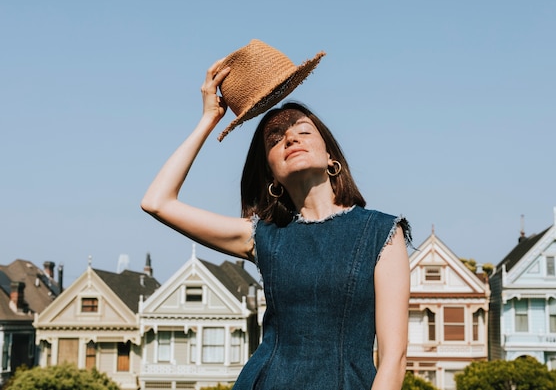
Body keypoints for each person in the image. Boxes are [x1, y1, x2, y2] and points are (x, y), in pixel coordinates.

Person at [141, 57, 411, 390]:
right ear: (270, 173)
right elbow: (157, 202)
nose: (290, 139)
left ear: (331, 157)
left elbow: (394, 358)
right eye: (275, 139)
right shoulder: (261, 235)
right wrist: (210, 119)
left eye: (303, 131)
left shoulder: (381, 233)